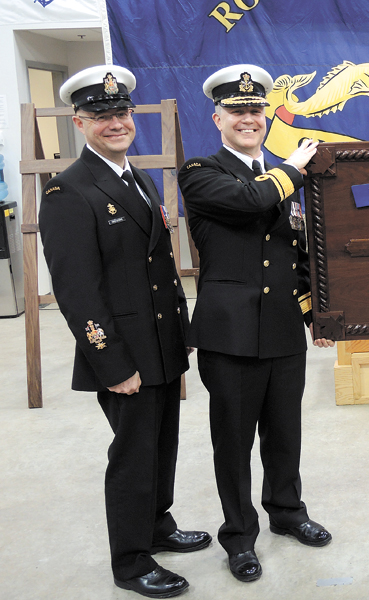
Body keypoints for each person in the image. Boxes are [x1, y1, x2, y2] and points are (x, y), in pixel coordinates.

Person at [40, 65, 210, 599]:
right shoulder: (69, 192)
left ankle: (157, 526)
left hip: (160, 345)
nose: (115, 123)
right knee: (133, 457)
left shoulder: (133, 177)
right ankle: (132, 562)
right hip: (123, 355)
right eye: (101, 116)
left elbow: (158, 268)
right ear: (79, 121)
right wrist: (111, 364)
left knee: (162, 446)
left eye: (121, 113)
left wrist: (181, 333)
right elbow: (77, 293)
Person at [178, 64, 334, 583]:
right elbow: (251, 201)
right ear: (217, 116)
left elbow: (299, 251)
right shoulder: (201, 171)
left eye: (256, 111)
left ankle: (288, 514)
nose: (249, 119)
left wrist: (317, 313)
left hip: (284, 328)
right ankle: (239, 537)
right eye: (238, 111)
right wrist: (292, 168)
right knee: (234, 442)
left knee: (285, 433)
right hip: (230, 334)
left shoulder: (282, 176)